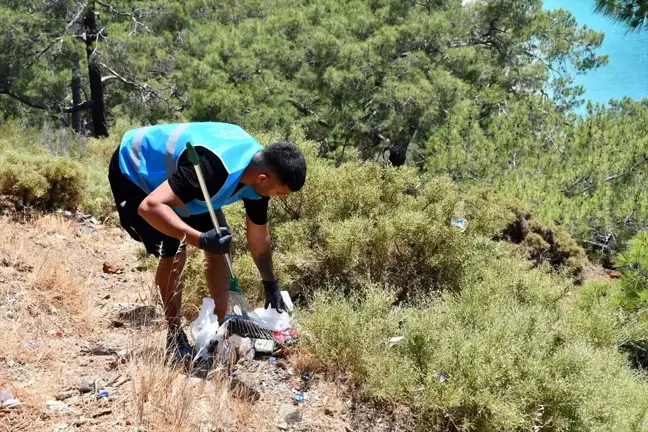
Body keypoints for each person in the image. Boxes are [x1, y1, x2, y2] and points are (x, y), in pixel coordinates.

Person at [108, 122, 307, 362]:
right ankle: (174, 335)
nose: (281, 198)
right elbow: (150, 207)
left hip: (183, 182)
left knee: (221, 244)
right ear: (263, 178)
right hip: (136, 172)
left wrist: (270, 283)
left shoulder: (258, 178)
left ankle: (226, 325)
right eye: (281, 193)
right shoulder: (212, 169)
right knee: (175, 249)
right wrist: (200, 239)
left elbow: (258, 235)